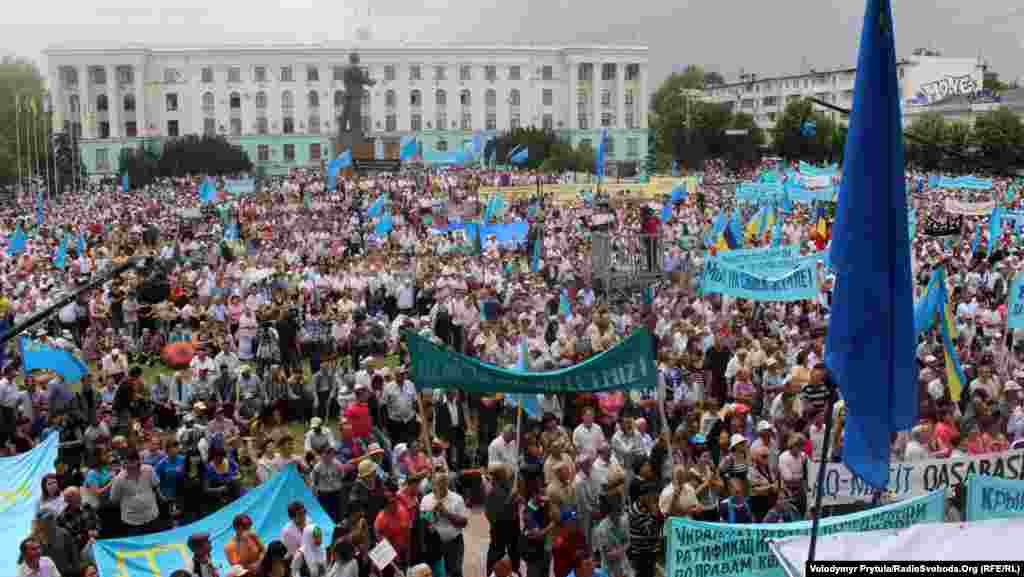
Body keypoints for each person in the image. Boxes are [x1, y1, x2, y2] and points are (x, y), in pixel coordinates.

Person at [419, 470, 468, 577]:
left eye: (441, 485)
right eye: (435, 485)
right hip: (433, 546)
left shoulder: (457, 499)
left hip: (453, 544)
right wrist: (432, 513)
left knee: (455, 572)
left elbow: (464, 522)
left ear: (446, 484)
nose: (438, 488)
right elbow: (423, 523)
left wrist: (446, 513)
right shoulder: (426, 499)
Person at [110, 449, 162, 536]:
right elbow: (113, 499)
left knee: (156, 546)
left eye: (132, 464)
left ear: (138, 461)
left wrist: (160, 497)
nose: (129, 467)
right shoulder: (119, 479)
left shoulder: (149, 470)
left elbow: (156, 485)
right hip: (132, 522)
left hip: (152, 517)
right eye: (126, 465)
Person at [484, 464, 519, 576]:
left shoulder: (506, 485)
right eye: (506, 473)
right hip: (500, 526)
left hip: (511, 524)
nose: (508, 475)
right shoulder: (493, 491)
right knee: (496, 553)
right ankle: (492, 573)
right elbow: (493, 514)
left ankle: (512, 571)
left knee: (513, 551)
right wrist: (511, 500)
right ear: (502, 475)